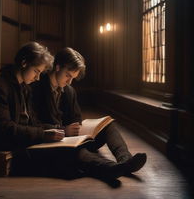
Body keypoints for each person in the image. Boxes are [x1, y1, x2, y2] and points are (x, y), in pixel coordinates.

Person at [31, 47, 147, 180]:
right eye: (68, 75)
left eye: (73, 77)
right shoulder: (37, 86)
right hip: (52, 142)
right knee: (77, 152)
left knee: (109, 125)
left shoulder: (69, 91)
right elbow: (33, 124)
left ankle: (125, 160)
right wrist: (63, 130)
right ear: (57, 67)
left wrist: (82, 129)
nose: (70, 82)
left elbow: (76, 118)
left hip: (71, 139)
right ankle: (110, 168)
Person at [0, 42, 66, 174]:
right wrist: (42, 134)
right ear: (24, 63)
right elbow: (3, 129)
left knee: (72, 149)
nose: (38, 78)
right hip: (9, 148)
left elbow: (33, 123)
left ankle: (107, 168)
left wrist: (55, 129)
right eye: (36, 71)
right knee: (68, 156)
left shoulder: (24, 87)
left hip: (24, 143)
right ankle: (107, 168)